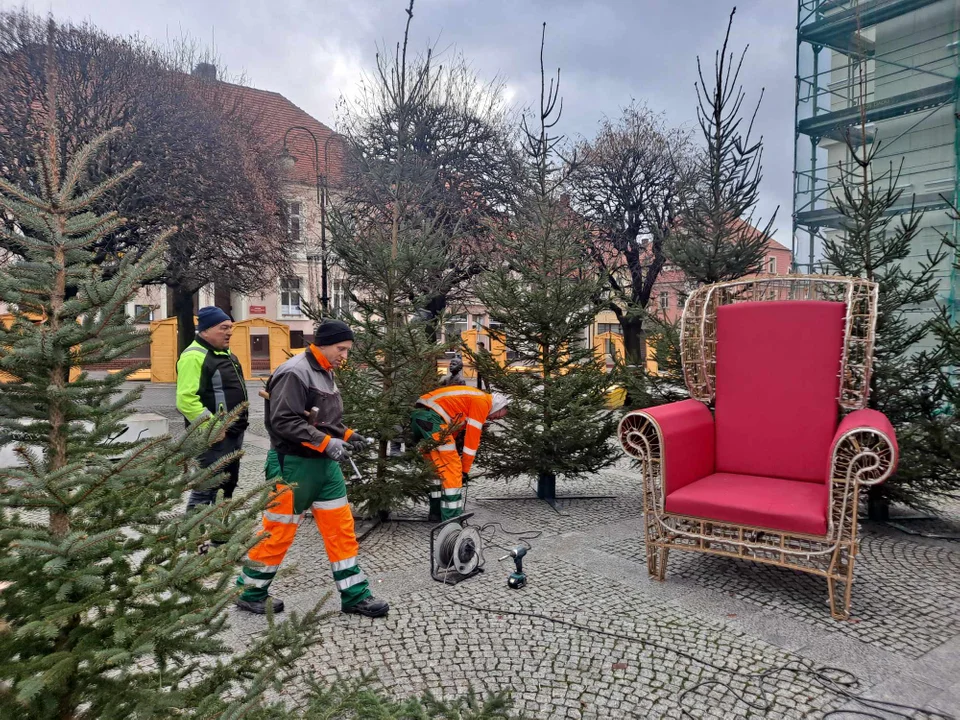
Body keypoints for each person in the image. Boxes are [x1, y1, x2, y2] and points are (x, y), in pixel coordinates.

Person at [235, 319, 388, 618]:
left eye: (347, 350)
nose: (345, 356)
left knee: (342, 530)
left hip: (324, 467)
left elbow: (322, 421)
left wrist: (346, 436)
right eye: (341, 349)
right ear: (324, 343)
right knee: (278, 531)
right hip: (292, 465)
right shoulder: (294, 372)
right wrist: (327, 444)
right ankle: (250, 591)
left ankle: (355, 595)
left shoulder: (325, 372)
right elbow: (284, 422)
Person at [176, 306, 248, 511]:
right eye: (223, 327)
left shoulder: (225, 354)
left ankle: (220, 540)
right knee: (206, 488)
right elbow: (185, 399)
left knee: (227, 487)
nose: (229, 332)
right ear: (206, 330)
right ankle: (192, 540)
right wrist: (213, 427)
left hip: (233, 434)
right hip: (212, 438)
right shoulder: (194, 356)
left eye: (230, 328)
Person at [412, 386, 510, 522]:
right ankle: (451, 520)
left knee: (436, 468)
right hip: (432, 419)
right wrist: (464, 470)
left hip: (421, 416)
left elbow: (454, 427)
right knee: (452, 469)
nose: (493, 419)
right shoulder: (483, 402)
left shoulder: (476, 398)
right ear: (497, 407)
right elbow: (472, 440)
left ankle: (436, 513)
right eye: (498, 416)